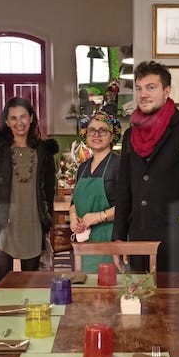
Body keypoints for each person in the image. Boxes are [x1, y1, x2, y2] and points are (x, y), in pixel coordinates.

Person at [113, 60, 179, 272]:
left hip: (177, 246)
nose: (143, 94)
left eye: (151, 87)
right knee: (138, 294)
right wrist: (118, 236)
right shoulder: (130, 136)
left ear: (166, 91)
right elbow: (123, 190)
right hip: (138, 244)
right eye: (139, 88)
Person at [0, 97, 58, 285]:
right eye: (13, 118)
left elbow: (49, 191)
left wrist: (46, 222)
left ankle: (28, 306)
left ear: (31, 118)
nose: (19, 123)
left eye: (23, 117)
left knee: (30, 281)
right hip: (1, 223)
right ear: (7, 121)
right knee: (2, 282)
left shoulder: (44, 152)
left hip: (32, 224)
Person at [69, 110, 122, 271]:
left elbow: (128, 206)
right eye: (92, 130)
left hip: (109, 240)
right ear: (86, 135)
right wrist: (73, 218)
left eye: (103, 130)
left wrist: (99, 216)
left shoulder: (119, 164)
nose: (96, 134)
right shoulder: (83, 167)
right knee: (85, 282)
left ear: (112, 136)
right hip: (84, 242)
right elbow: (74, 202)